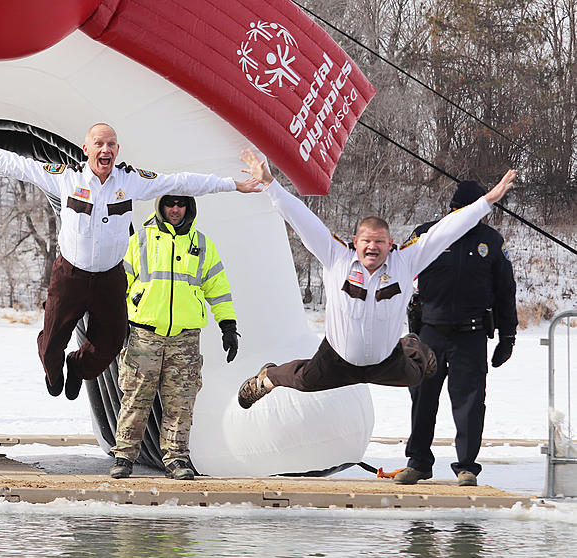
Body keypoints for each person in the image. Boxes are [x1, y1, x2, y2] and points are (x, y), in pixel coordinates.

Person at [0, 125, 256, 401]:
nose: (105, 149)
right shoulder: (65, 178)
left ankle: (77, 367)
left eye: (111, 144)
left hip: (109, 278)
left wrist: (232, 185)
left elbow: (181, 182)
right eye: (99, 143)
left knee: (111, 342)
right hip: (70, 274)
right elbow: (12, 162)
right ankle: (54, 372)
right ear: (86, 148)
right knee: (52, 342)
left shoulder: (131, 181)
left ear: (117, 150)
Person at [234, 149, 516, 411]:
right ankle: (267, 378)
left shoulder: (405, 261)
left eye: (379, 241)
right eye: (367, 241)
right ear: (355, 241)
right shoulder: (336, 257)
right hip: (337, 360)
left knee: (417, 375)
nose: (372, 247)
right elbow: (301, 218)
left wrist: (486, 201)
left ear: (390, 243)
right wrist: (271, 184)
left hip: (386, 362)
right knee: (305, 380)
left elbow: (447, 229)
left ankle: (411, 344)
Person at [396, 180, 518, 486]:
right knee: (422, 398)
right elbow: (397, 272)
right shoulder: (426, 234)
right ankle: (419, 462)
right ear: (450, 209)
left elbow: (506, 292)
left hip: (471, 334)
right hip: (430, 332)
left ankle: (466, 467)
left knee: (470, 404)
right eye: (458, 210)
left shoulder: (491, 242)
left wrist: (508, 336)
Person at [109, 195, 239, 480]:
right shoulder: (140, 241)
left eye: (181, 204)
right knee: (135, 398)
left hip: (185, 339)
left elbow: (217, 288)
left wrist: (228, 326)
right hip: (145, 335)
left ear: (189, 208)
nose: (176, 210)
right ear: (161, 206)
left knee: (181, 401)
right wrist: (115, 325)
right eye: (170, 204)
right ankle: (124, 456)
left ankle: (177, 459)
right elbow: (119, 286)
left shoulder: (202, 244)